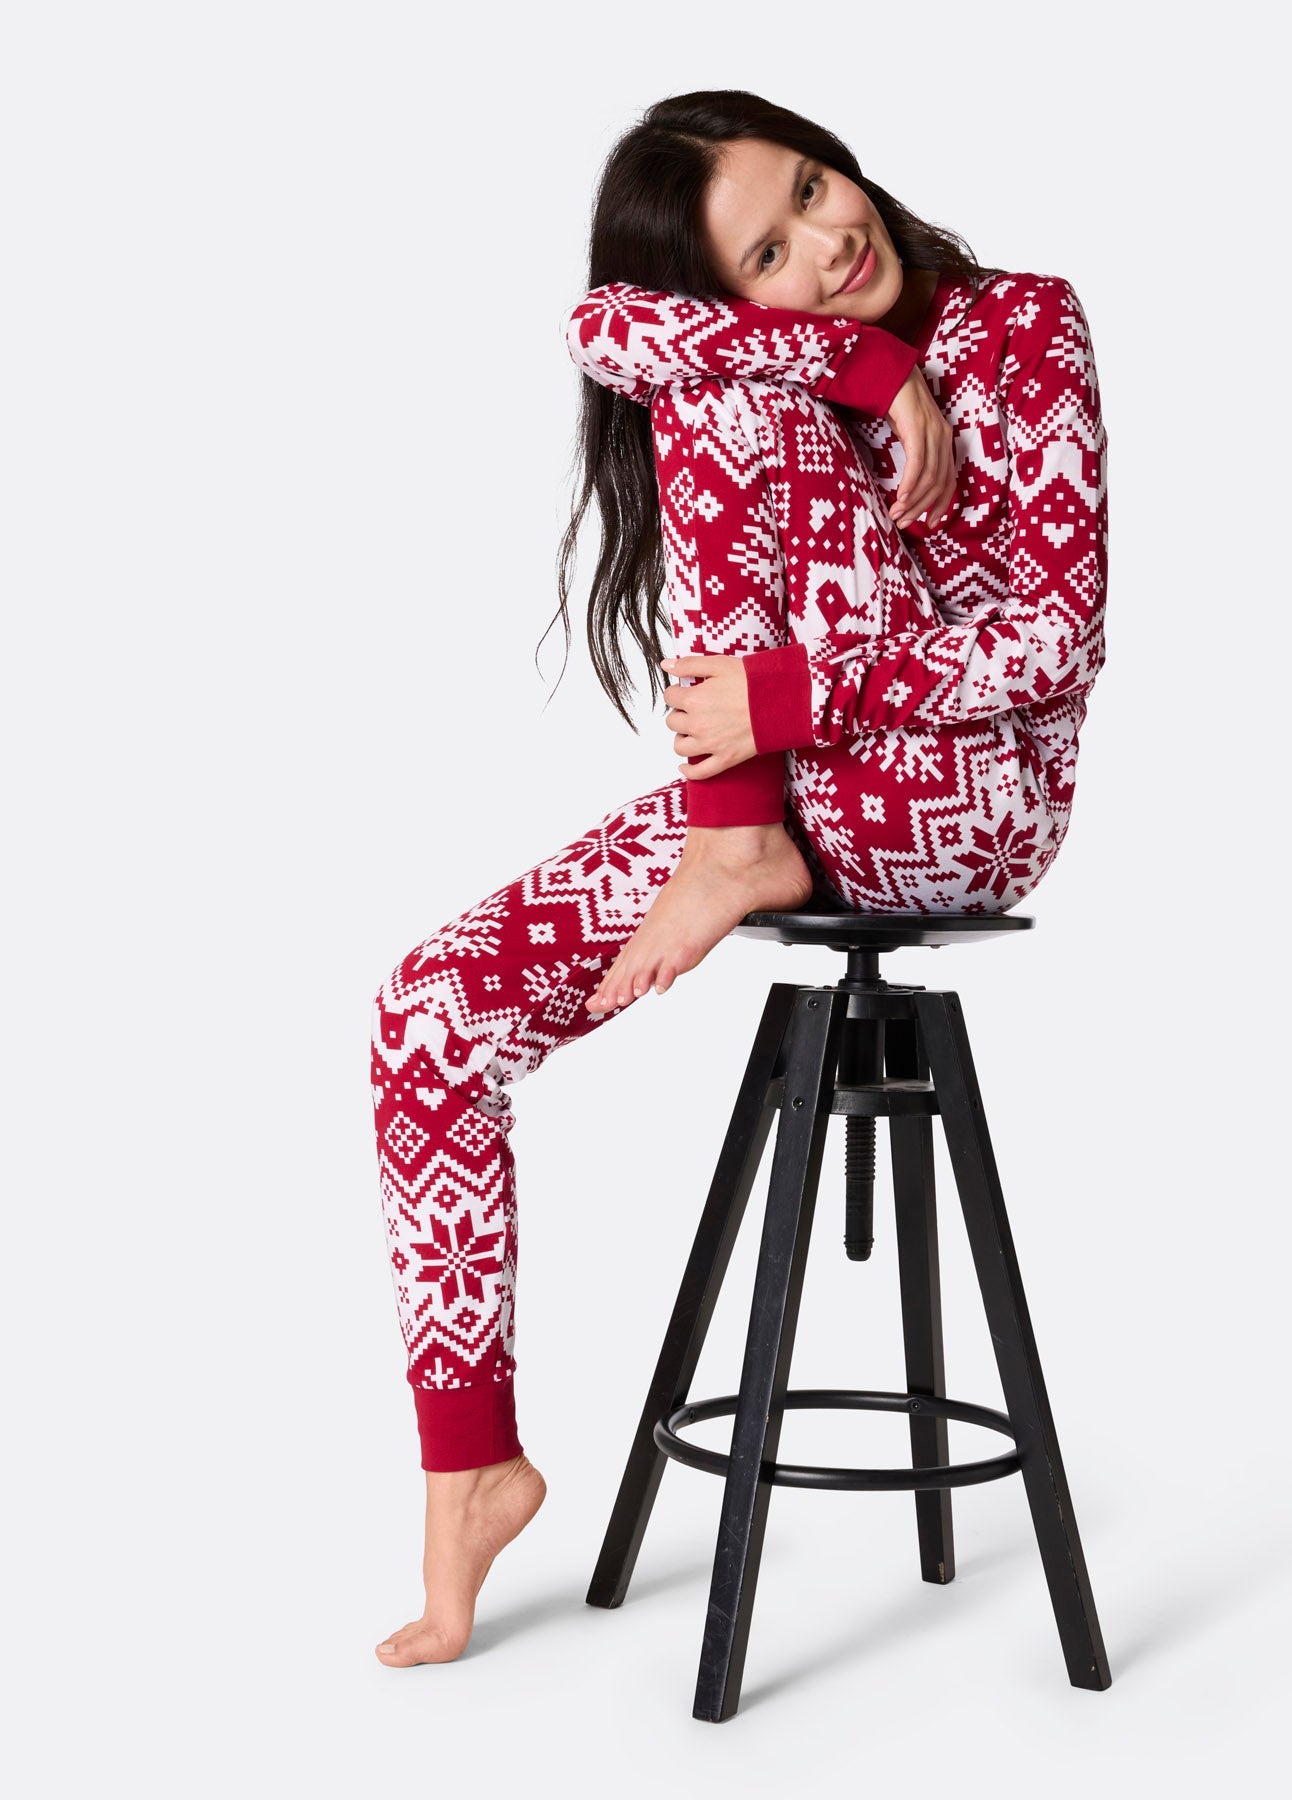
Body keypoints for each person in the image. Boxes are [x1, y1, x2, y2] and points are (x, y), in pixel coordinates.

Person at [370, 88, 1109, 1667]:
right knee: (429, 1014)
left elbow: (1058, 639)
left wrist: (790, 698)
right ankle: (470, 1471)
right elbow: (602, 329)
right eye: (769, 253)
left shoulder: (1025, 326)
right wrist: (865, 368)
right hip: (793, 790)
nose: (830, 243)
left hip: (970, 795)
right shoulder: (797, 357)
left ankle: (734, 845)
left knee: (718, 397)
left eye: (815, 187)